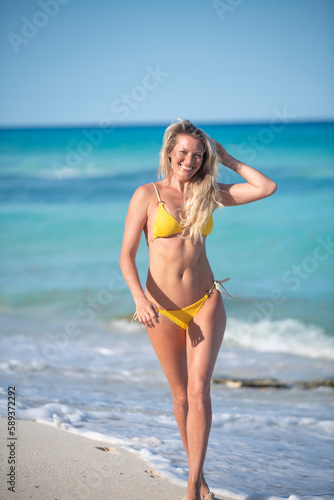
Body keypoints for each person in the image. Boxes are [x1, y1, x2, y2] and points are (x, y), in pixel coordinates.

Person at [119, 119, 277, 500]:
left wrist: (228, 158)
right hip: (161, 308)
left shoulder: (210, 192)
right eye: (183, 153)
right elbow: (126, 255)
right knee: (179, 396)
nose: (190, 160)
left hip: (206, 300)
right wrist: (139, 299)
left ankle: (192, 486)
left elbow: (266, 187)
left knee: (198, 388)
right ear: (170, 153)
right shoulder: (147, 195)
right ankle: (199, 476)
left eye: (198, 154)